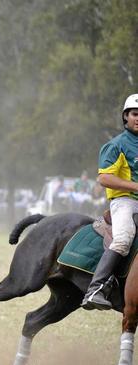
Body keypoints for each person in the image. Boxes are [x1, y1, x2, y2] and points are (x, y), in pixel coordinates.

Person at [82, 93, 138, 310]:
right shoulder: (117, 145)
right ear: (125, 117)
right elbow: (104, 178)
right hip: (125, 201)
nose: (137, 118)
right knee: (123, 239)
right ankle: (95, 289)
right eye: (134, 114)